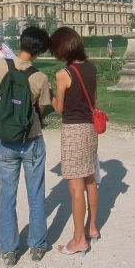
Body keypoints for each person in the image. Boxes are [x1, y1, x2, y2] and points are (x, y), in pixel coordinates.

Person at [0, 26, 51, 267]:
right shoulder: (40, 77)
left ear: (20, 42)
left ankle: (9, 250)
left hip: (5, 140)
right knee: (36, 195)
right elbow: (43, 109)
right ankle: (37, 245)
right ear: (40, 51)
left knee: (7, 195)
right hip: (31, 139)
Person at [49, 26, 99, 255]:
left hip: (73, 131)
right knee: (90, 178)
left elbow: (59, 108)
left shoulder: (63, 74)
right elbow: (94, 100)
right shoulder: (91, 68)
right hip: (89, 128)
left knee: (75, 185)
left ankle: (79, 239)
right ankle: (92, 228)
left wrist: (50, 94)